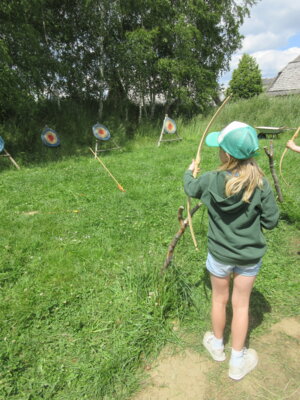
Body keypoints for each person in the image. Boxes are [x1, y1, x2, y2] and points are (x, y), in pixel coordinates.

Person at [184, 121, 279, 381]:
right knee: (241, 305)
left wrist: (189, 172)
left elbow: (190, 189)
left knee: (219, 300)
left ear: (226, 155)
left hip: (220, 255)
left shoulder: (211, 180)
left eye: (220, 149)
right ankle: (237, 362)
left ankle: (217, 347)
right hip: (249, 257)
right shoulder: (261, 183)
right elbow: (271, 221)